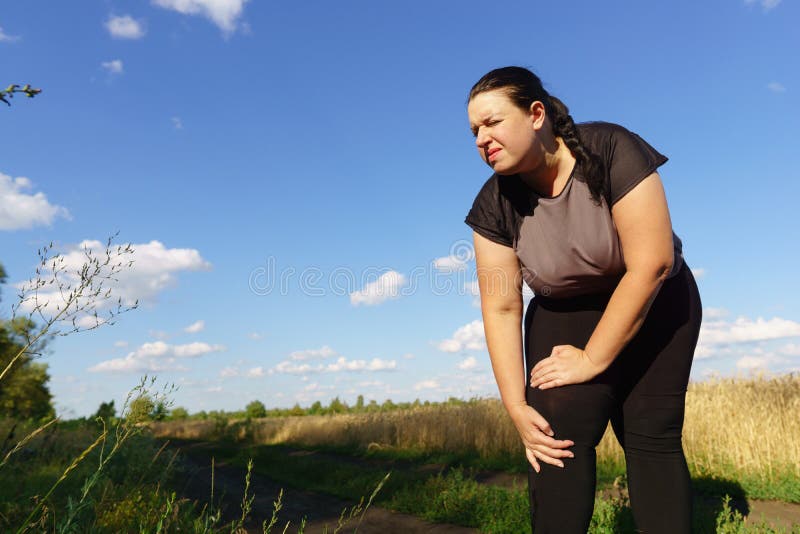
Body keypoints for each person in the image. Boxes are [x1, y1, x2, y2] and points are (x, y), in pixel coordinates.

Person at [464, 66, 702, 533]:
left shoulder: (611, 149)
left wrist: (593, 358)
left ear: (536, 114)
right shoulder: (493, 203)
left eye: (491, 122)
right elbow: (502, 306)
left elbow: (650, 263)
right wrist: (516, 406)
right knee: (553, 431)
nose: (480, 138)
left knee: (651, 435)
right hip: (563, 310)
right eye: (474, 130)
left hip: (656, 300)